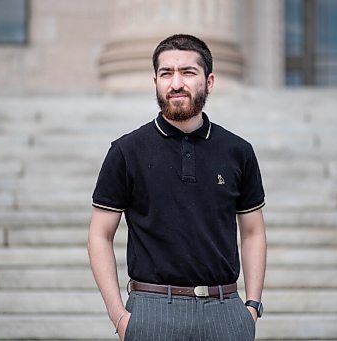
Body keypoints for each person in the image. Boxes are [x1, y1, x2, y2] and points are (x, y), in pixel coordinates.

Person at [88, 34, 266, 341]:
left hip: (226, 313)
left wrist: (250, 308)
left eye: (188, 72)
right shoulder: (126, 151)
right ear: (155, 80)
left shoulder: (238, 151)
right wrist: (119, 317)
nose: (176, 83)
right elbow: (99, 235)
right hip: (152, 311)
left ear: (209, 81)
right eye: (166, 73)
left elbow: (253, 232)